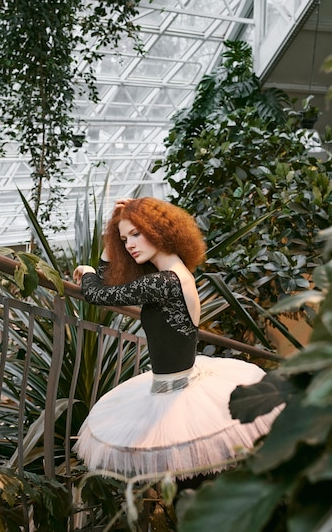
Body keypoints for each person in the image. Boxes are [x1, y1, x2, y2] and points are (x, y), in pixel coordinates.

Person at [73, 197, 281, 480]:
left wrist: (86, 272)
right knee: (192, 480)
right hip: (171, 388)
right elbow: (108, 279)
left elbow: (99, 294)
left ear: (159, 229)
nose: (129, 244)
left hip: (177, 397)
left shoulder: (166, 282)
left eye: (137, 233)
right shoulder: (175, 274)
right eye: (125, 239)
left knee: (191, 482)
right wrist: (114, 235)